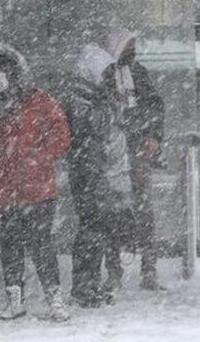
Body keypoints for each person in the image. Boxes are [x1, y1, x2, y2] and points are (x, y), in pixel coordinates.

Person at [0, 44, 71, 322]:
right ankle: (15, 301)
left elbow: (62, 133)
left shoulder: (40, 100)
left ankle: (54, 300)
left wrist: (40, 156)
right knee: (10, 246)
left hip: (38, 187)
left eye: (4, 71)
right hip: (7, 189)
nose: (0, 77)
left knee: (41, 245)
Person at [63, 44, 133, 308]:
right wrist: (111, 105)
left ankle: (90, 282)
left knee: (99, 230)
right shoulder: (80, 99)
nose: (107, 78)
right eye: (103, 73)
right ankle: (83, 286)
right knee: (90, 230)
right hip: (87, 173)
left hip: (99, 172)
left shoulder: (93, 97)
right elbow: (96, 127)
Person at [101, 27, 166, 292]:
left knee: (144, 210)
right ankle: (114, 269)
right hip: (113, 152)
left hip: (137, 149)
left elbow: (155, 105)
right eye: (129, 45)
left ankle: (149, 269)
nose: (133, 51)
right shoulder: (105, 76)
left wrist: (153, 135)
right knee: (113, 211)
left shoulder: (138, 73)